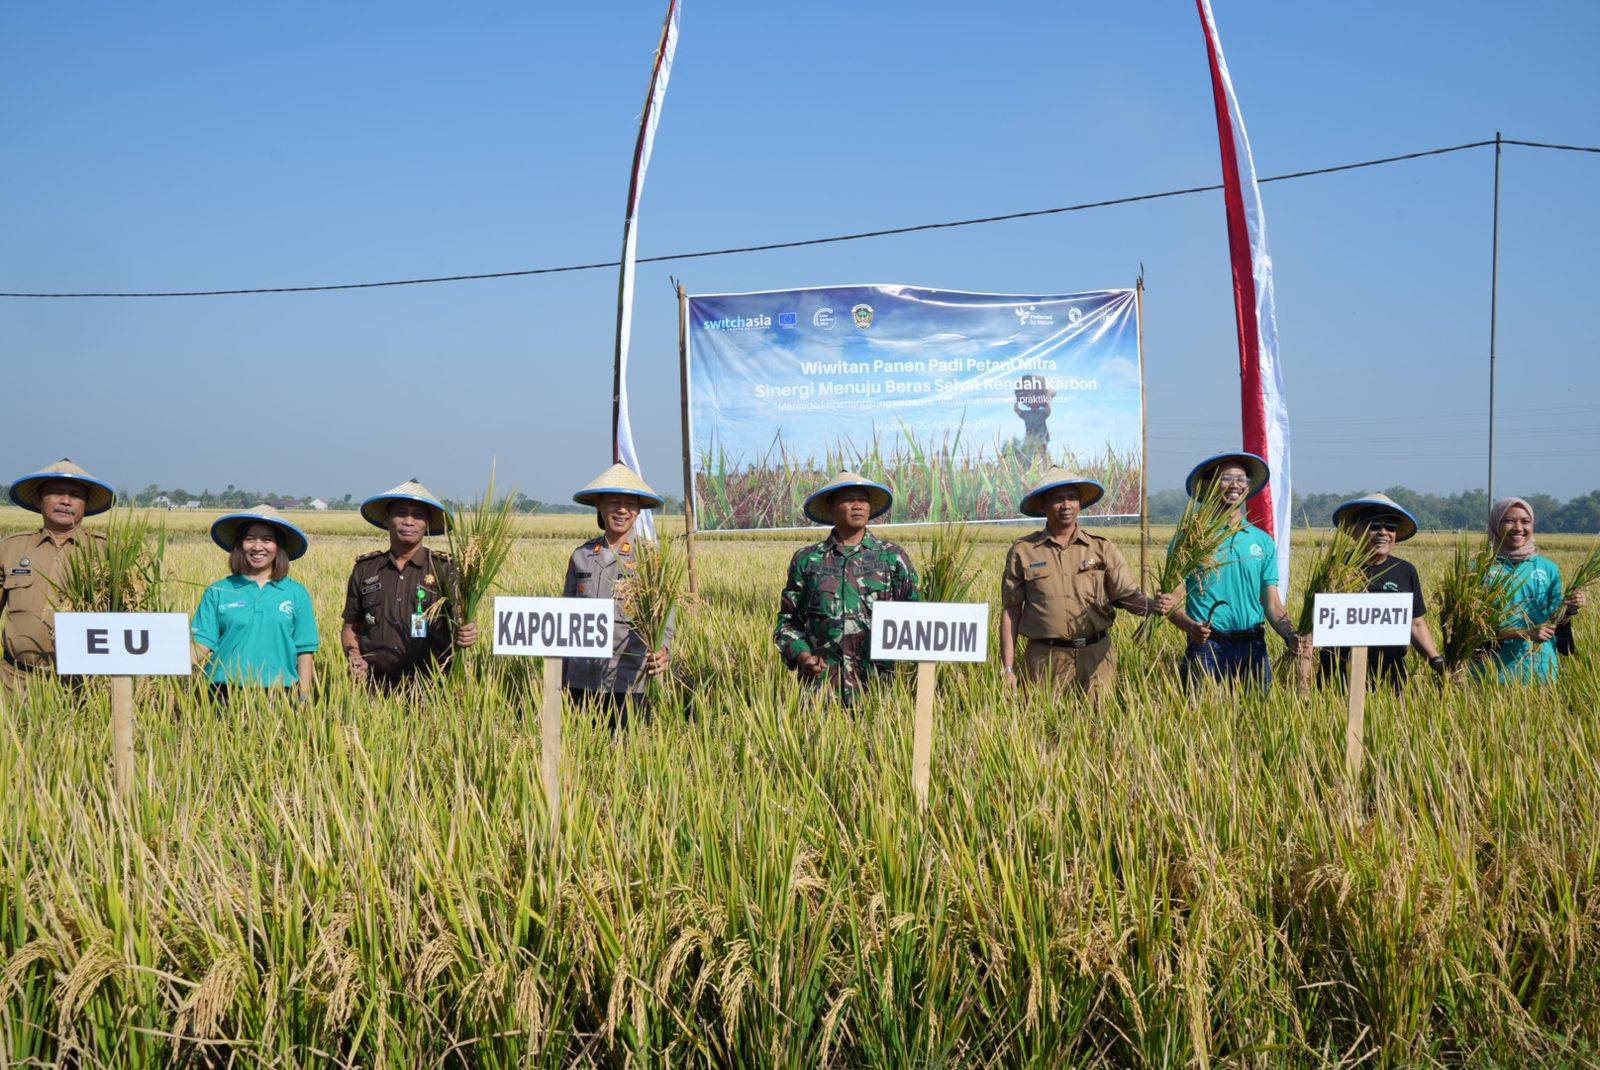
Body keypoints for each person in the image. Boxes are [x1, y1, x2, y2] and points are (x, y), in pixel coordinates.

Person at [999, 467, 1178, 700]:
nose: (1066, 505)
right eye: (1058, 499)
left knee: (1098, 726)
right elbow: (1011, 611)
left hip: (1097, 656)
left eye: (1072, 497)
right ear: (1043, 505)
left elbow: (1127, 596)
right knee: (1044, 726)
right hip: (1045, 658)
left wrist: (1153, 605)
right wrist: (1008, 669)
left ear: (1080, 503)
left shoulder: (1101, 547)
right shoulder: (1023, 551)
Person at [774, 471, 919, 705]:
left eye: (863, 499)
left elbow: (916, 617)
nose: (858, 505)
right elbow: (788, 623)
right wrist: (803, 656)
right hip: (821, 693)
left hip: (879, 693)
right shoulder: (807, 560)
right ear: (831, 508)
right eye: (849, 499)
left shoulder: (892, 557)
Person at [1167, 452, 1310, 687]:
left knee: (1255, 718)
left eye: (1241, 478)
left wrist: (1290, 634)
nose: (1235, 484)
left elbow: (1272, 603)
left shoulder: (1261, 541)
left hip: (1253, 646)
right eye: (1226, 477)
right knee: (1201, 718)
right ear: (1210, 485)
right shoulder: (1190, 538)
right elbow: (1172, 601)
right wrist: (1191, 627)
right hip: (1207, 646)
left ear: (1248, 487)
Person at [562, 463, 672, 722]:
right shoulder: (582, 556)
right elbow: (564, 615)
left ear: (638, 510)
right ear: (599, 505)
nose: (622, 509)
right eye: (613, 501)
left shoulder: (650, 558)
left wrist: (664, 650)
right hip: (581, 680)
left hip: (628, 680)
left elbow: (666, 618)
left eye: (630, 503)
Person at [341, 479, 477, 689]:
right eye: (401, 513)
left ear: (428, 524)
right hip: (373, 687)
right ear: (387, 519)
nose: (409, 521)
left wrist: (469, 631)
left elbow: (463, 620)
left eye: (418, 516)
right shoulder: (365, 569)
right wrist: (354, 656)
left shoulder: (445, 568)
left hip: (433, 688)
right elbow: (352, 626)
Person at [1, 459, 115, 690]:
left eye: (75, 494)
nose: (65, 501)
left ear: (85, 504)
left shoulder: (107, 551)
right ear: (38, 499)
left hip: (84, 685)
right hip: (15, 681)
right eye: (55, 492)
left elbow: (127, 617)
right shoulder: (10, 548)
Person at [191, 505, 318, 700]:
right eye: (249, 539)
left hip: (279, 695)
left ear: (279, 547)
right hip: (222, 693)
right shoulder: (218, 591)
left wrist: (304, 697)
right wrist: (162, 663)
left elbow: (304, 650)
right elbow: (202, 643)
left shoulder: (296, 593)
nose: (257, 547)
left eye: (267, 540)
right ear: (240, 544)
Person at [1318, 493, 1446, 687]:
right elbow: (1313, 623)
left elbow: (1416, 624)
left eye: (1391, 527)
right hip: (1337, 676)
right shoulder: (1335, 568)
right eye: (1374, 526)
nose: (1383, 532)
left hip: (1390, 676)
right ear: (1355, 530)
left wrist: (1436, 660)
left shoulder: (1405, 571)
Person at [1482, 496, 1585, 683]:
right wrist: (1524, 633)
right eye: (1509, 521)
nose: (1518, 528)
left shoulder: (1548, 568)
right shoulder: (1480, 569)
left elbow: (1556, 620)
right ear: (1495, 525)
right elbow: (1473, 630)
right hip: (1491, 674)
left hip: (1539, 670)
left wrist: (1571, 607)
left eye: (1525, 521)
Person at [1013, 375, 1055, 457]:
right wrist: (1018, 399)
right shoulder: (1027, 414)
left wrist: (1048, 396)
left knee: (1041, 456)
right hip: (1031, 440)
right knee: (1033, 457)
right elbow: (1016, 409)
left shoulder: (1040, 413)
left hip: (1041, 439)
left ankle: (1043, 466)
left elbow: (1048, 409)